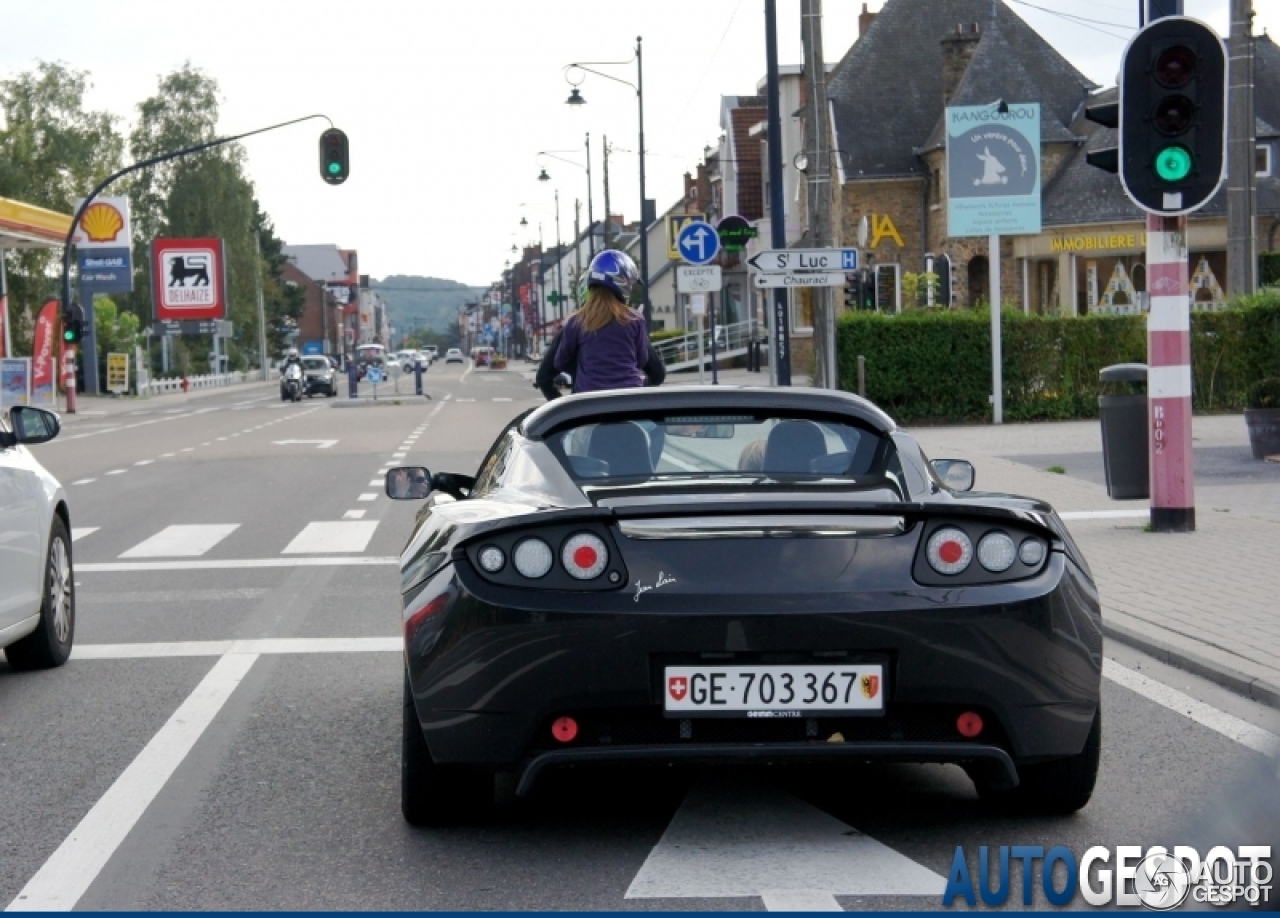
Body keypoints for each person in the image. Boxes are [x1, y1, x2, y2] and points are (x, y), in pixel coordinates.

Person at [553, 250, 651, 395]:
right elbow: (642, 360)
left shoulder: (577, 321)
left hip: (589, 400)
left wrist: (584, 369)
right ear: (623, 281)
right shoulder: (634, 319)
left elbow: (560, 362)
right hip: (630, 397)